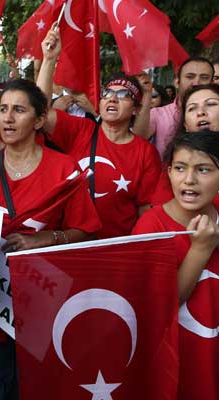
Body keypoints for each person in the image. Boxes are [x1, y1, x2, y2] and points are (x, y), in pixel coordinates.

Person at [0, 78, 101, 400]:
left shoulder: (63, 168)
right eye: (3, 109)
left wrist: (47, 238)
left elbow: (85, 228)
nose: (7, 118)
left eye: (18, 110)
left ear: (40, 120)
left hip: (45, 296)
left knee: (40, 382)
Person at [37, 26, 161, 238]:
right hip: (71, 246)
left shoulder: (145, 152)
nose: (112, 99)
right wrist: (49, 60)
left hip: (115, 252)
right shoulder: (81, 131)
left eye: (123, 95)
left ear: (136, 109)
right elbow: (38, 112)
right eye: (107, 93)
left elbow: (145, 212)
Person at [132, 131, 219, 400]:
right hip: (180, 365)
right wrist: (201, 249)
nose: (189, 179)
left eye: (203, 169)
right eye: (180, 168)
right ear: (168, 173)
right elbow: (160, 306)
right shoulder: (151, 227)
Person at [151, 83, 219, 205]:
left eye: (211, 104)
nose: (201, 112)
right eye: (192, 108)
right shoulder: (176, 158)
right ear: (186, 125)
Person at [137, 56, 215, 158]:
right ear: (177, 82)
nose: (196, 83)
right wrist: (147, 95)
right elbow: (137, 140)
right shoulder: (158, 114)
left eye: (204, 77)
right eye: (190, 77)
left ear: (212, 82)